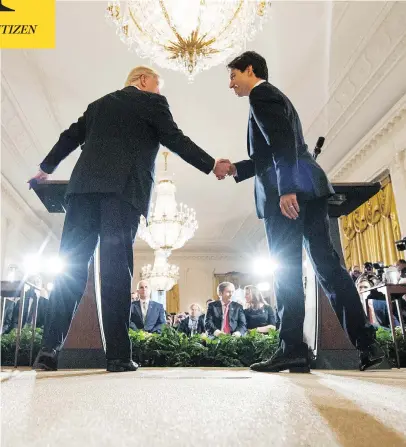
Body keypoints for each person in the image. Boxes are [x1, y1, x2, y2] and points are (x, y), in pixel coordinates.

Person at [29, 66, 230, 373]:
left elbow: (69, 136)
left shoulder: (98, 105)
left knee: (69, 269)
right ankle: (119, 356)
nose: (160, 93)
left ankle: (48, 350)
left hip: (82, 193)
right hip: (121, 193)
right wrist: (210, 163)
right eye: (158, 86)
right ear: (143, 80)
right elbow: (174, 138)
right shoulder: (152, 103)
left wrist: (46, 168)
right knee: (115, 272)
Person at [222, 51, 384, 372]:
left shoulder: (261, 95)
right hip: (309, 185)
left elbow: (282, 143)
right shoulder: (273, 97)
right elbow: (275, 152)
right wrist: (236, 168)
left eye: (233, 76)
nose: (231, 84)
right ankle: (368, 345)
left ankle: (292, 349)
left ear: (250, 69)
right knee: (328, 267)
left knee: (286, 271)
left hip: (291, 192)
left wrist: (286, 190)